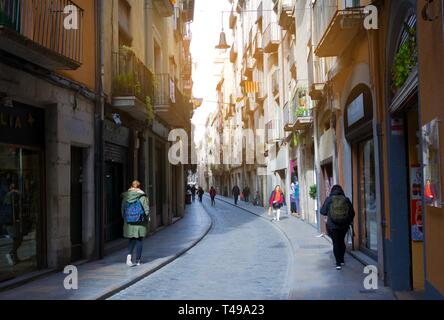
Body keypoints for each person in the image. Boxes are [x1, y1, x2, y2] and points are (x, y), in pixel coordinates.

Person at [320, 185, 355, 270]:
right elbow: (352, 213)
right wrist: (347, 220)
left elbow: (323, 211)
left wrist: (330, 214)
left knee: (336, 243)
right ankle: (342, 260)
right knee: (341, 241)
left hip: (332, 226)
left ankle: (338, 263)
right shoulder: (346, 199)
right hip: (344, 225)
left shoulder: (329, 199)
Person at [122, 180, 150, 267]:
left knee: (131, 240)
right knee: (139, 241)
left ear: (131, 186)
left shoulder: (126, 197)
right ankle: (138, 260)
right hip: (140, 223)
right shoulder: (142, 196)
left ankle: (129, 256)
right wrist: (146, 219)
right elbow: (146, 210)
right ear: (139, 187)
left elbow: (122, 211)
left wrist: (127, 219)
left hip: (129, 223)